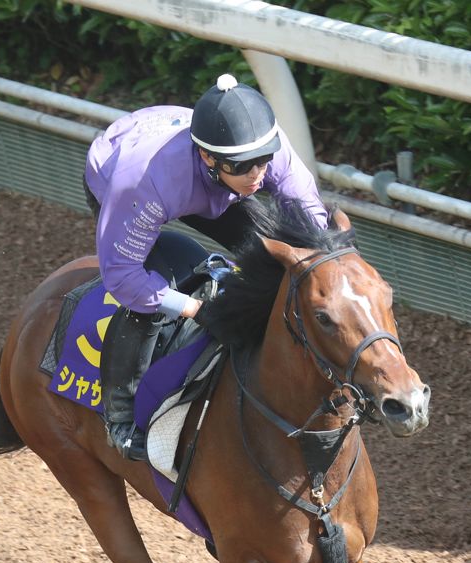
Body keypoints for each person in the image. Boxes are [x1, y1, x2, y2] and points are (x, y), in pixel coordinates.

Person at [84, 73, 328, 461]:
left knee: (277, 254)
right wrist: (194, 308)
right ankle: (121, 418)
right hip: (124, 175)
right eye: (245, 166)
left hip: (204, 176)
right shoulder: (143, 183)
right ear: (208, 157)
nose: (258, 175)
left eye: (263, 162)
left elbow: (309, 218)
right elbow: (123, 276)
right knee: (153, 291)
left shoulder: (261, 148)